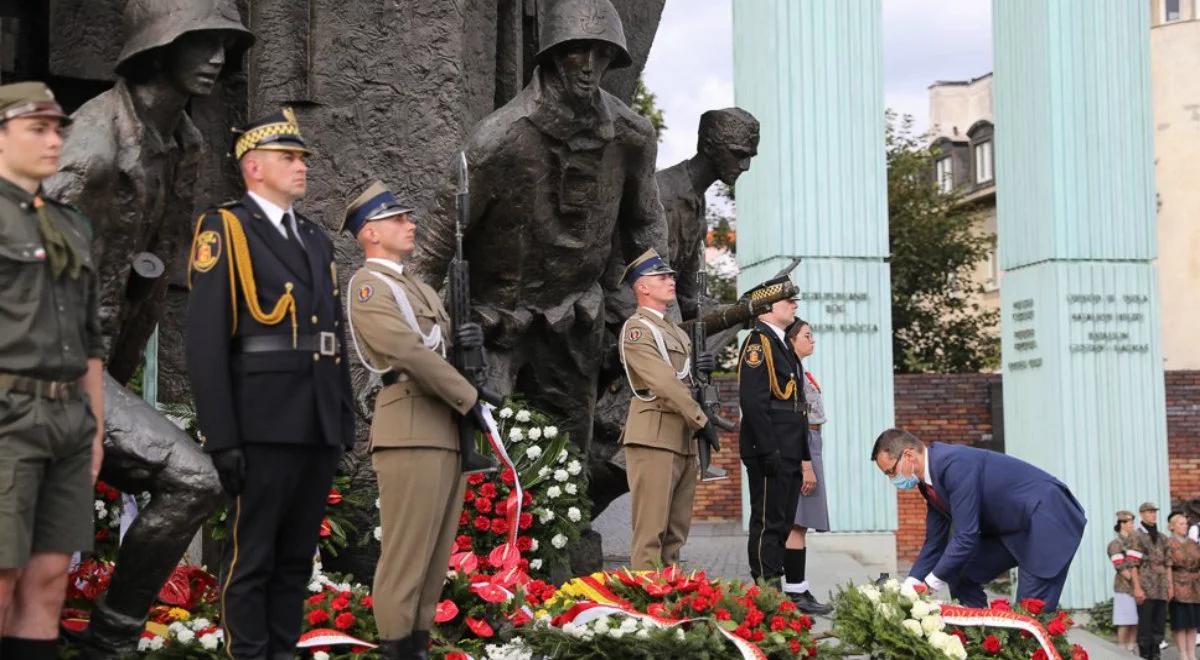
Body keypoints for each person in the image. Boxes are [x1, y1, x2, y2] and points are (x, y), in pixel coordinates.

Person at [43, 1, 253, 652]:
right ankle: (110, 640)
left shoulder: (185, 143)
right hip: (44, 364)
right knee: (194, 477)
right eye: (202, 41)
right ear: (159, 47)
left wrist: (118, 379)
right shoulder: (90, 146)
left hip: (99, 362)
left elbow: (155, 272)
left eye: (225, 42)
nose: (217, 56)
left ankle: (107, 639)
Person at [409, 0, 666, 454]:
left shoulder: (632, 137)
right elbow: (436, 246)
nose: (589, 67)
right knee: (487, 453)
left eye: (601, 54)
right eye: (576, 51)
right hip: (496, 323)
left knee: (569, 456)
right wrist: (406, 345)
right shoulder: (497, 140)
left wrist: (659, 322)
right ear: (550, 54)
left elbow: (644, 228)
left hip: (574, 323)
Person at [185, 108, 355, 659]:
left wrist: (343, 423)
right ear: (253, 167)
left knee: (294, 559)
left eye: (303, 157)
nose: (302, 167)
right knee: (251, 557)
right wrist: (223, 437)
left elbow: (333, 338)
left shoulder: (314, 238)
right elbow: (207, 342)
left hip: (314, 421)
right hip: (260, 420)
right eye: (289, 158)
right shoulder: (226, 228)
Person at [343, 181, 487, 660]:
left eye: (409, 216)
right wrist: (470, 398)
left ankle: (417, 644)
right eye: (397, 218)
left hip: (443, 429)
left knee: (433, 556)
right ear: (370, 233)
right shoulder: (369, 286)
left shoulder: (419, 288)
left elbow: (438, 349)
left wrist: (468, 343)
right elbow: (406, 351)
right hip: (409, 429)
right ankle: (394, 648)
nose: (411, 224)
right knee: (406, 556)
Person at [0, 81, 104, 660]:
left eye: (57, 128)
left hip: (67, 419)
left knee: (48, 581)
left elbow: (91, 340)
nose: (53, 139)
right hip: (7, 416)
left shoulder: (70, 224)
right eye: (36, 128)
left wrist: (92, 429)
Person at [871, 428, 1086, 611]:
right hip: (1012, 526)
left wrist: (929, 584)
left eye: (891, 471)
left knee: (1030, 614)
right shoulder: (928, 483)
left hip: (1047, 519)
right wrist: (911, 583)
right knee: (959, 571)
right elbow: (935, 541)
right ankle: (977, 634)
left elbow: (966, 535)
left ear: (908, 455)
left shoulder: (953, 465)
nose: (892, 479)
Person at [617, 249, 716, 569]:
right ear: (642, 287)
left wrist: (703, 370)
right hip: (654, 439)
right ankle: (646, 611)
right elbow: (663, 382)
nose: (670, 280)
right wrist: (701, 419)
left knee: (675, 536)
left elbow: (683, 378)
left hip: (682, 437)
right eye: (662, 277)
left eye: (671, 276)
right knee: (650, 535)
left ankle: (671, 603)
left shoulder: (673, 330)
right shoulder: (637, 330)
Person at [736, 278, 814, 591]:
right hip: (772, 450)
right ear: (767, 308)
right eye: (788, 300)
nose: (794, 304)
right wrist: (768, 450)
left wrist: (801, 454)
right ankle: (767, 591)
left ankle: (775, 586)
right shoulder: (759, 343)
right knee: (768, 522)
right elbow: (753, 402)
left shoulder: (782, 344)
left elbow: (797, 408)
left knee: (781, 523)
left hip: (789, 449)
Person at [656, 108, 759, 320]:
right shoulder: (661, 194)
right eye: (738, 154)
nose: (745, 166)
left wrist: (738, 313)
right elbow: (637, 280)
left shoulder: (697, 202)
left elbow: (689, 296)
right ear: (708, 147)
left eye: (749, 156)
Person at [780, 319, 831, 615]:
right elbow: (798, 420)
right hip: (804, 447)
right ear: (792, 340)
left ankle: (798, 588)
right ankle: (794, 591)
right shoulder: (790, 373)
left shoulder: (800, 370)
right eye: (807, 336)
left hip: (811, 444)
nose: (813, 340)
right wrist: (806, 464)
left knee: (801, 522)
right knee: (797, 520)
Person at [1133, 502, 1171, 659]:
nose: (1153, 514)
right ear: (1142, 514)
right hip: (1145, 586)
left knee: (1159, 624)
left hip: (1161, 586)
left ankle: (1156, 654)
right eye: (1149, 512)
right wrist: (1137, 588)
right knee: (1145, 625)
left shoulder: (1162, 537)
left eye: (1154, 512)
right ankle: (1145, 655)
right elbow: (1133, 564)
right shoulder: (1136, 536)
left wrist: (1170, 586)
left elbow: (1168, 563)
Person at [1108, 510, 1141, 652]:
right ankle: (1122, 650)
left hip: (1138, 587)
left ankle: (1131, 648)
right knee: (1125, 621)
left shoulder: (1135, 541)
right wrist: (1136, 583)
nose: (1133, 525)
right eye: (1130, 522)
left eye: (1133, 522)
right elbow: (1120, 567)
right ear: (1122, 524)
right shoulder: (1115, 544)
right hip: (1124, 587)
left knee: (1135, 621)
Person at [1168, 510, 1199, 660]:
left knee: (1193, 623)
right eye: (1181, 524)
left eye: (1186, 524)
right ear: (1172, 526)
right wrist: (1170, 587)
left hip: (1194, 587)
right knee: (1180, 623)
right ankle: (1183, 654)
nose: (1185, 526)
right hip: (1178, 584)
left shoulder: (1193, 543)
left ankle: (1192, 653)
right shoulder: (1169, 543)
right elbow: (1167, 566)